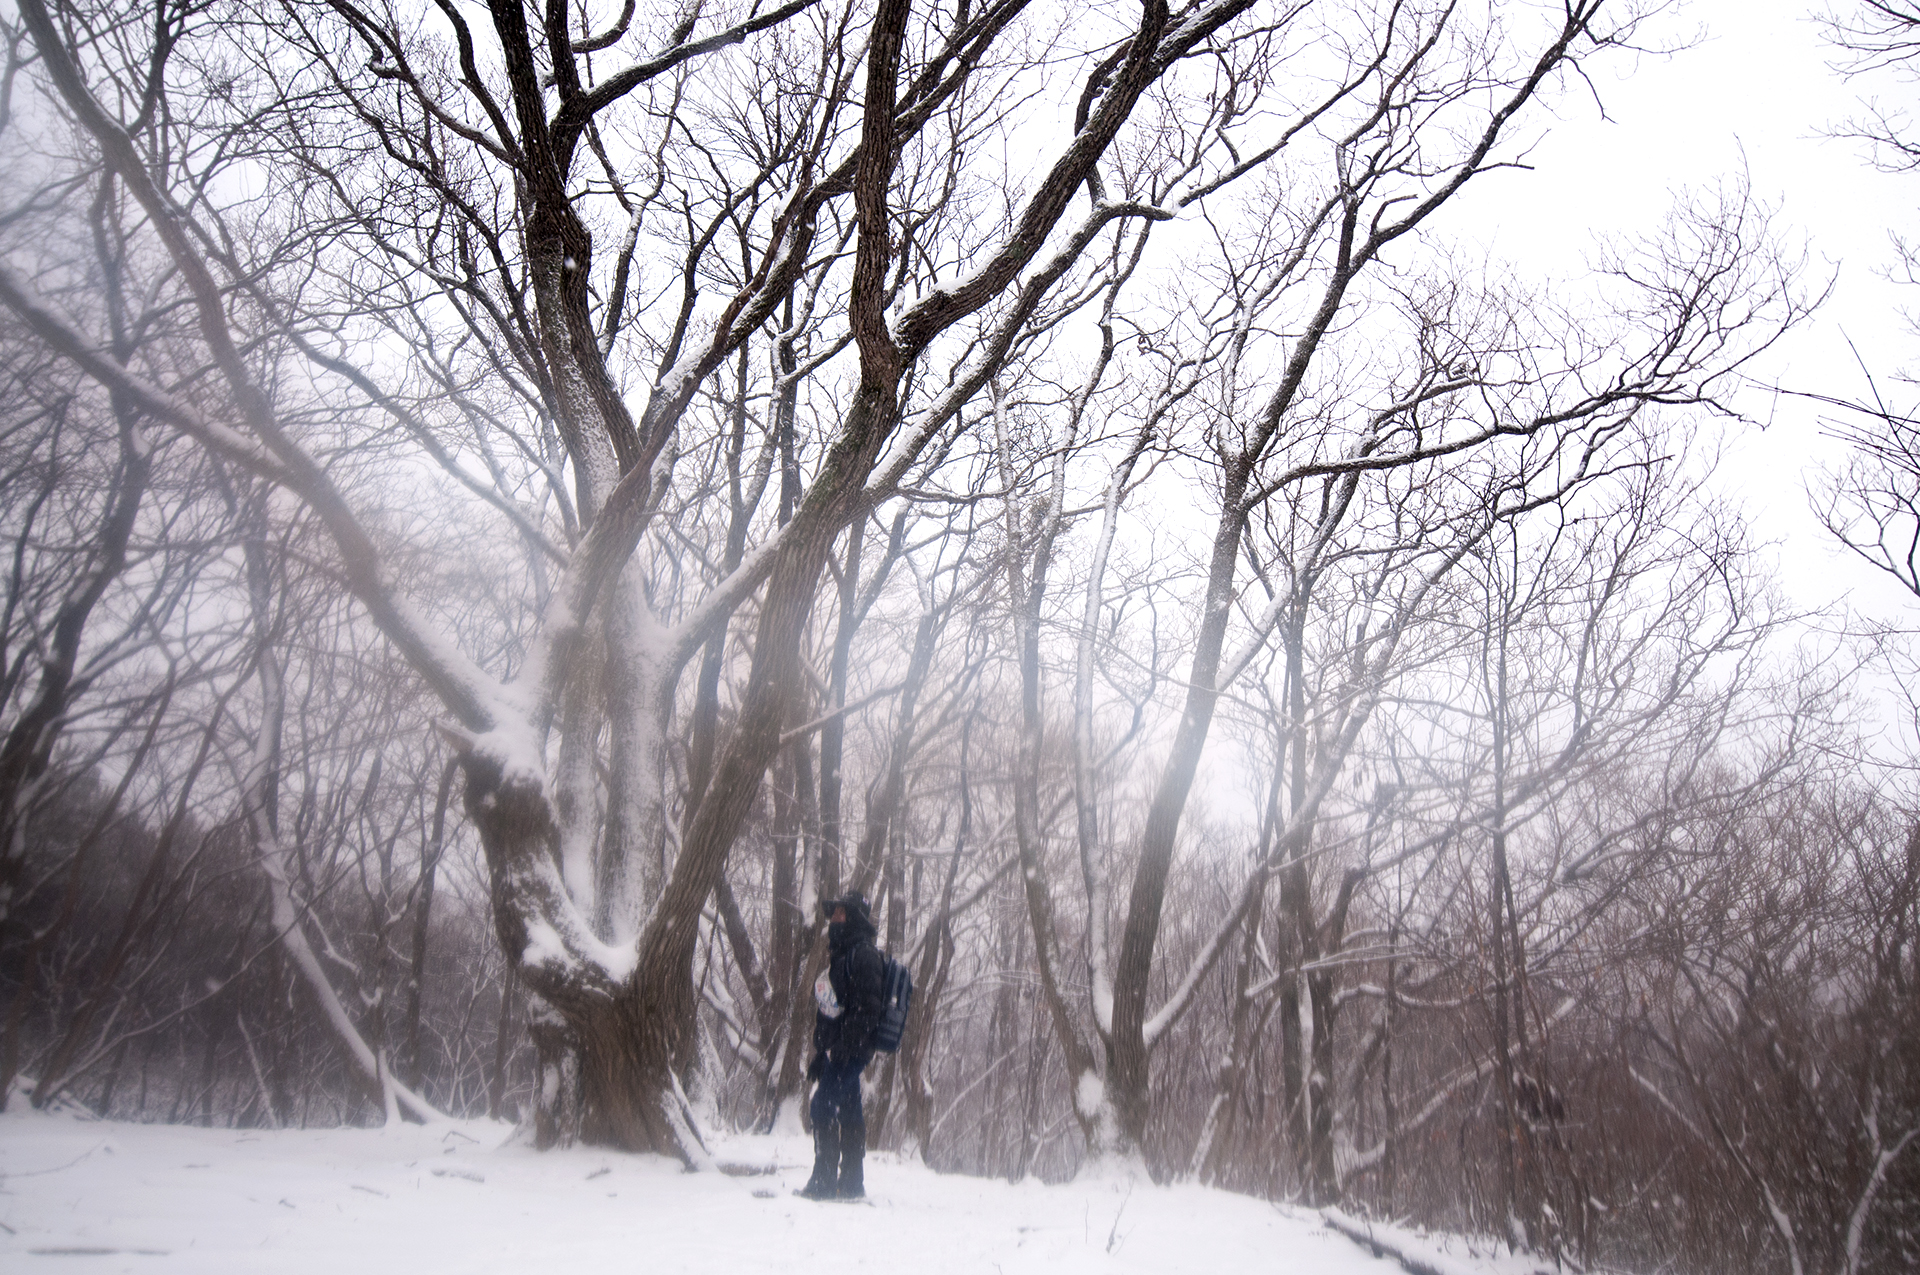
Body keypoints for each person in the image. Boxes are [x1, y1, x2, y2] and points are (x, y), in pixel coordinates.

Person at [797, 890, 885, 1200]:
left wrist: (847, 1047)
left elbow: (867, 1010)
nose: (833, 918)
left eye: (840, 913)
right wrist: (822, 1054)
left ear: (854, 918)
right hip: (840, 1050)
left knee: (822, 1105)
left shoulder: (864, 956)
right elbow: (833, 1011)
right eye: (833, 913)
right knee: (848, 1108)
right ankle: (850, 1184)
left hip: (851, 1051)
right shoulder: (844, 954)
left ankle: (823, 1183)